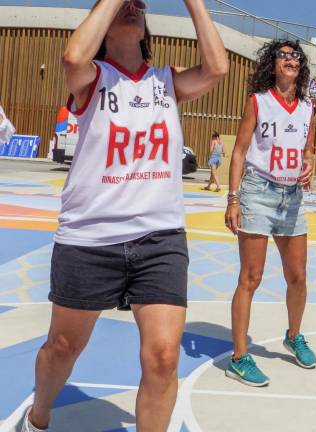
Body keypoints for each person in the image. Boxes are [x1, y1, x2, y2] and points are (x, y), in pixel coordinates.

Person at [19, 1, 228, 431]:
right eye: (121, 3)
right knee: (62, 346)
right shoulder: (93, 78)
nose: (132, 6)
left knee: (164, 355)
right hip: (90, 236)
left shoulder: (166, 82)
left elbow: (217, 68)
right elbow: (74, 56)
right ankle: (38, 417)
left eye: (139, 3)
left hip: (159, 236)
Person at [225, 39, 316, 387]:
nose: (291, 60)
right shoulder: (258, 102)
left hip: (292, 196)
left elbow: (308, 151)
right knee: (251, 276)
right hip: (258, 192)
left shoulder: (308, 107)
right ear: (272, 64)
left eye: (296, 56)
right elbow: (239, 152)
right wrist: (233, 198)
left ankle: (294, 335)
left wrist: (308, 165)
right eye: (284, 56)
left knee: (298, 276)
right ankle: (239, 356)